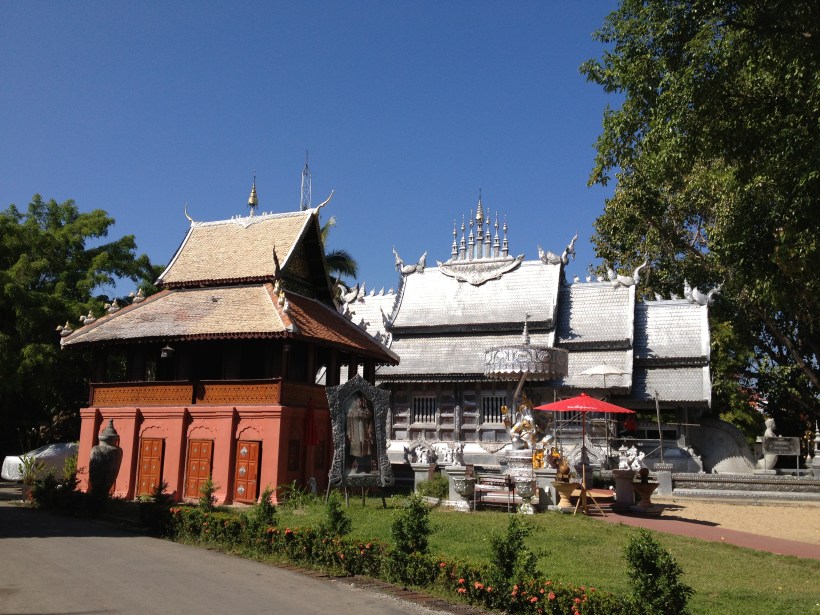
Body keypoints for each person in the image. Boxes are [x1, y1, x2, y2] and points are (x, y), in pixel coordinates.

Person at [346, 392, 375, 473]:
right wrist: (349, 434)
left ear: (363, 402)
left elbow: (370, 423)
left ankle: (365, 467)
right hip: (355, 433)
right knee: (357, 449)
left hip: (364, 433)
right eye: (358, 401)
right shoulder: (351, 411)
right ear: (355, 402)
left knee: (365, 449)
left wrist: (370, 432)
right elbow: (348, 424)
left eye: (361, 401)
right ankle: (357, 466)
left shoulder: (366, 411)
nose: (359, 403)